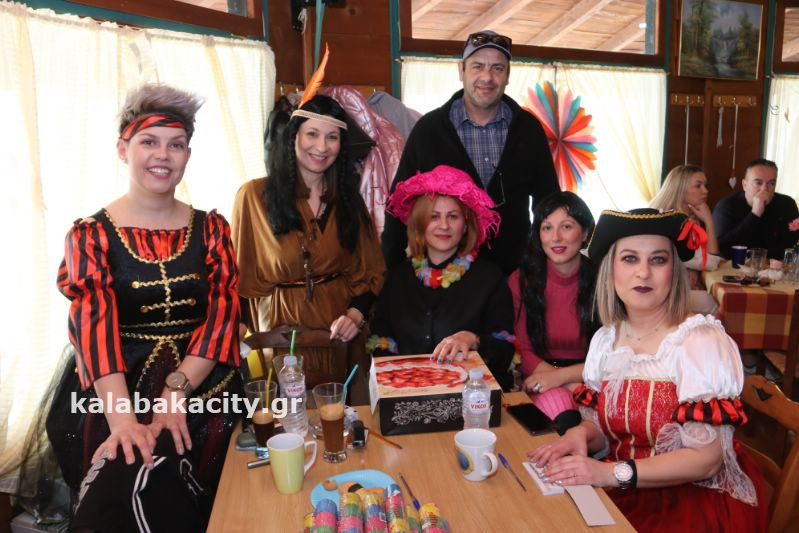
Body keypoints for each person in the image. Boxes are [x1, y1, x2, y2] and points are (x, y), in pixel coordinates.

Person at [46, 84, 242, 531]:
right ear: (123, 149)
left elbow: (223, 316)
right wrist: (124, 423)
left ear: (188, 155)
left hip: (202, 383)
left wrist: (176, 391)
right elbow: (93, 330)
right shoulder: (90, 235)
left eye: (176, 145)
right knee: (126, 485)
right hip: (115, 388)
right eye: (149, 141)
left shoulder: (212, 229)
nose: (163, 155)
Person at [528, 208, 767, 532]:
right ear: (611, 269)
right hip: (624, 485)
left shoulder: (698, 342)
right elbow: (604, 428)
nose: (643, 273)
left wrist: (609, 473)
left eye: (658, 260)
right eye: (630, 259)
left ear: (674, 271)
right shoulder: (606, 340)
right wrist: (580, 434)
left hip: (693, 501)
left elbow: (706, 460)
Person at [231, 94, 385, 383]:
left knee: (341, 407)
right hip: (277, 333)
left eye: (332, 137)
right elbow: (237, 276)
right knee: (284, 407)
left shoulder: (350, 202)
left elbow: (371, 271)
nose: (322, 147)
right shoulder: (254, 197)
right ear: (294, 137)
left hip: (339, 333)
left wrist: (355, 317)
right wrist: (234, 332)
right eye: (312, 134)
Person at [381, 30, 559, 275]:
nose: (487, 77)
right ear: (461, 70)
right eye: (477, 66)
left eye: (497, 68)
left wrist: (544, 265)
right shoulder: (430, 130)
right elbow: (398, 204)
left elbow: (548, 203)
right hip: (445, 277)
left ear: (508, 75)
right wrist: (392, 274)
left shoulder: (528, 129)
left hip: (513, 274)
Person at [367, 165, 515, 389]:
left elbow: (506, 351)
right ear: (420, 223)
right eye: (434, 216)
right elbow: (381, 342)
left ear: (465, 225)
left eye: (453, 216)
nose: (444, 226)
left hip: (473, 397)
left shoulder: (490, 278)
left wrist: (473, 339)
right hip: (407, 393)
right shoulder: (397, 278)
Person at [509, 191, 598, 432]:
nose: (556, 237)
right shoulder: (521, 281)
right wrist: (563, 384)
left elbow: (611, 356)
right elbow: (521, 350)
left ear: (585, 233)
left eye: (566, 227)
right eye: (547, 228)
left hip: (593, 379)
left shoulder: (605, 281)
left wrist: (562, 378)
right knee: (564, 419)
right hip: (539, 380)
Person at [650, 164, 720, 314]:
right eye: (698, 186)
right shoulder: (669, 221)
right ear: (680, 190)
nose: (705, 191)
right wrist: (709, 220)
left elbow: (708, 257)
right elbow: (711, 262)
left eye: (705, 185)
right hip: (661, 294)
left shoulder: (690, 219)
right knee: (717, 303)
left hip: (674, 288)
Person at [713, 158, 799, 259]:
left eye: (771, 183)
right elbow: (721, 249)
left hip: (775, 266)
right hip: (734, 266)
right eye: (758, 183)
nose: (765, 189)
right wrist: (755, 214)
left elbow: (790, 246)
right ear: (744, 185)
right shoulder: (726, 207)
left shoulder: (787, 204)